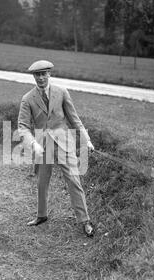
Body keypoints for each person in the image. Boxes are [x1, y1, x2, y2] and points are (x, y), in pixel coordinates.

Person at [18, 60, 95, 237]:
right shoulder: (27, 99)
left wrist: (86, 140)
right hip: (42, 147)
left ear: (49, 74)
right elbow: (22, 126)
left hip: (64, 144)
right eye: (37, 75)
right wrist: (33, 144)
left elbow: (74, 119)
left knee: (74, 180)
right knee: (42, 182)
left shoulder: (61, 92)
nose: (41, 78)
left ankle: (85, 221)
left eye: (44, 74)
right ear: (33, 77)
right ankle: (41, 215)